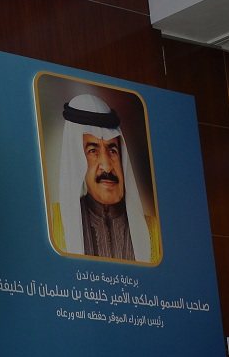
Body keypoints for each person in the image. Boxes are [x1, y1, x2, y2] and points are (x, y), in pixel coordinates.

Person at [49, 92, 156, 262]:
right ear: (77, 161)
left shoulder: (153, 233)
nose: (107, 166)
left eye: (112, 150)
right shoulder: (53, 226)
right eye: (93, 151)